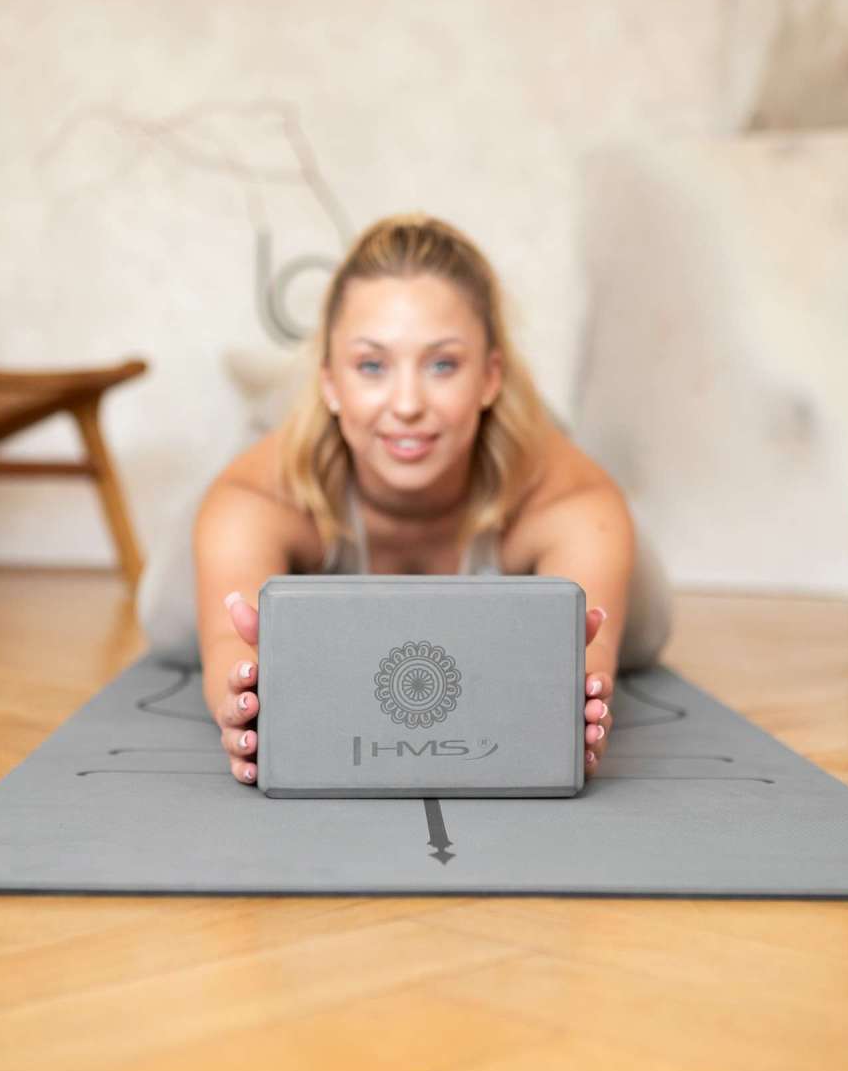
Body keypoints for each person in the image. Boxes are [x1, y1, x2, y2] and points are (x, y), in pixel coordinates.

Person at [140, 212, 673, 786]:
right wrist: (245, 696)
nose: (408, 403)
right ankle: (282, 393)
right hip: (311, 463)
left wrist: (572, 704)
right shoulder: (256, 497)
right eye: (372, 365)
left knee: (639, 636)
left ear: (490, 377)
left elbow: (584, 674)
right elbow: (229, 646)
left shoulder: (571, 502)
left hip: (506, 459)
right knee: (173, 629)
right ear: (329, 382)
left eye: (443, 364)